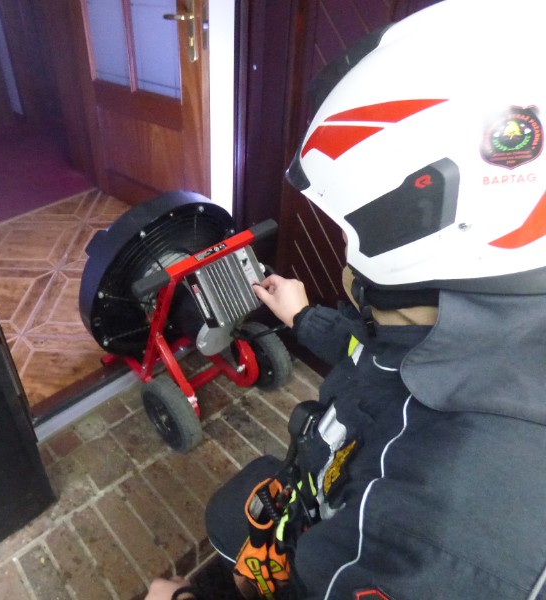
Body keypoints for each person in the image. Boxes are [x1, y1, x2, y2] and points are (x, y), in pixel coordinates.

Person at [148, 0, 546, 597]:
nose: (342, 244)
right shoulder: (474, 330)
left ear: (407, 228)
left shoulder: (440, 532)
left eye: (344, 226)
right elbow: (384, 356)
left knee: (224, 519)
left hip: (314, 548)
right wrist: (305, 317)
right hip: (319, 488)